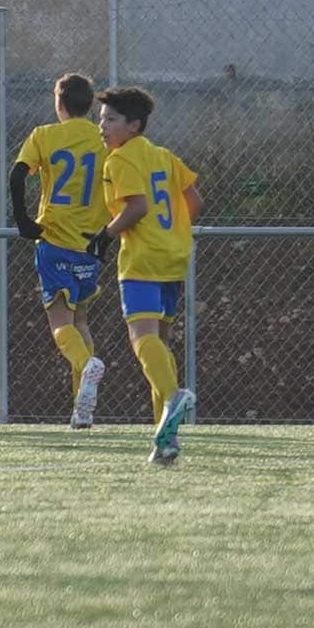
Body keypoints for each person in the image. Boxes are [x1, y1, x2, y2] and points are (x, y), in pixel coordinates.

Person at [92, 87, 200, 465]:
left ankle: (173, 400)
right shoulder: (163, 156)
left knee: (142, 339)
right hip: (172, 258)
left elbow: (136, 207)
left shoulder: (119, 160)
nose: (101, 126)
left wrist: (105, 236)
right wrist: (171, 233)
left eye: (110, 119)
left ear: (133, 126)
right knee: (162, 345)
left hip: (140, 261)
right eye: (101, 117)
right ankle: (165, 439)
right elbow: (194, 200)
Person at [10, 73, 111, 428]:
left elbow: (18, 174)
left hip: (54, 241)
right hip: (89, 244)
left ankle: (87, 367)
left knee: (60, 326)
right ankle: (81, 412)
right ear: (90, 104)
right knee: (80, 321)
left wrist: (23, 220)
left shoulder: (45, 135)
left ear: (59, 103)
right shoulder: (104, 140)